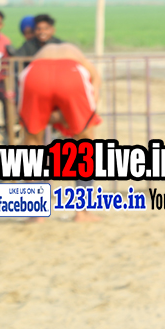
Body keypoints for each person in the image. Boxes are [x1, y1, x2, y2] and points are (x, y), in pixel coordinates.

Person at [17, 41, 102, 223]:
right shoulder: (77, 56)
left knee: (31, 145)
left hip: (35, 74)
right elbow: (95, 82)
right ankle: (82, 212)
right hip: (70, 74)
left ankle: (36, 214)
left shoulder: (42, 54)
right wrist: (87, 115)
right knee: (86, 144)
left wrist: (51, 117)